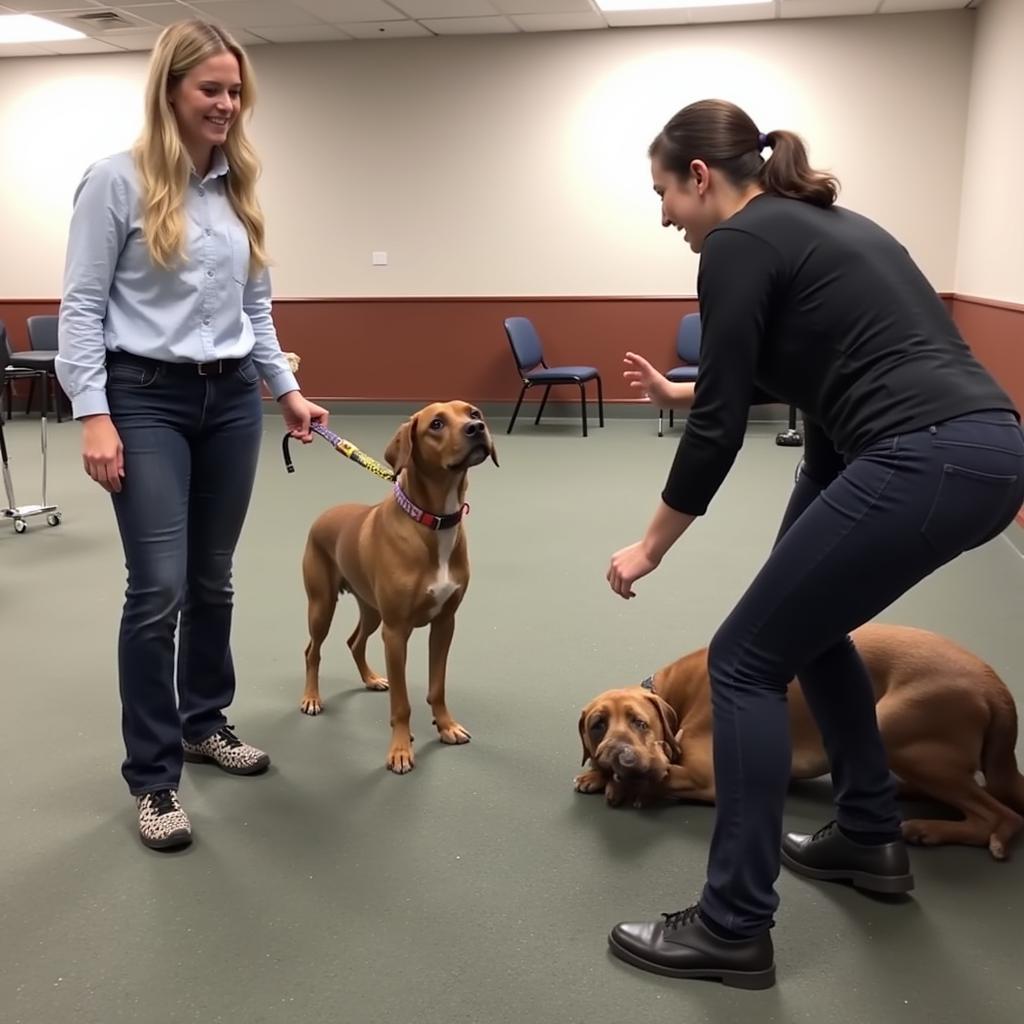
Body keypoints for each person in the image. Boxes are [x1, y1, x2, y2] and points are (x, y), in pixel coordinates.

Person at [604, 98, 1024, 989]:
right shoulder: (833, 227)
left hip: (921, 454)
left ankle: (731, 925)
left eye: (664, 194)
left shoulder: (736, 244)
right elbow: (820, 361)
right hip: (976, 448)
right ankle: (869, 837)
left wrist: (651, 545)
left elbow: (720, 429)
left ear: (702, 178)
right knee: (803, 629)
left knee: (745, 661)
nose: (665, 216)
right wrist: (691, 396)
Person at [55, 20, 328, 851]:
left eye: (236, 90)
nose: (227, 103)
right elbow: (81, 308)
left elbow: (256, 309)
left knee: (214, 579)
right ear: (171, 90)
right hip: (145, 401)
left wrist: (285, 390)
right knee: (159, 588)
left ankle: (204, 721)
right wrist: (94, 413)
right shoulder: (115, 182)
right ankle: (153, 777)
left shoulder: (235, 187)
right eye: (211, 88)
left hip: (231, 404)